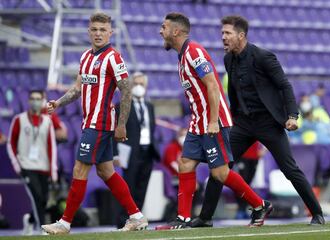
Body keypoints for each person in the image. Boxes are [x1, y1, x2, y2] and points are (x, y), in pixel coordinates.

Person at [192, 15, 325, 227]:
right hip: (243, 124)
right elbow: (233, 93)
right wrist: (232, 120)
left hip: (268, 123)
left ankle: (317, 213)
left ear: (241, 35)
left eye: (228, 33)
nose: (223, 37)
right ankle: (205, 218)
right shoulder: (228, 60)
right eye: (222, 33)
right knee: (219, 166)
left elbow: (284, 86)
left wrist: (292, 116)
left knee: (289, 169)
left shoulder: (264, 57)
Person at [158, 12, 272, 229]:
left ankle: (260, 204)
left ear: (176, 31)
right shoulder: (182, 55)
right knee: (185, 164)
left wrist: (212, 121)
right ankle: (182, 219)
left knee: (219, 173)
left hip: (213, 120)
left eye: (164, 27)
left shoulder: (194, 51)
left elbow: (212, 84)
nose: (160, 31)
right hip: (198, 121)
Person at [41, 12, 147, 235]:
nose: (98, 33)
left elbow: (126, 90)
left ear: (111, 32)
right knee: (106, 171)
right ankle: (136, 216)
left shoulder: (113, 57)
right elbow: (78, 89)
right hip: (90, 122)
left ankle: (65, 222)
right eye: (94, 29)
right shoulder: (86, 57)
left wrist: (122, 124)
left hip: (100, 123)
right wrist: (58, 103)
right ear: (89, 31)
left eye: (103, 30)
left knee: (80, 169)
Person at [7, 90, 57, 235]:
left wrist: (53, 171)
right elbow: (11, 143)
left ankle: (29, 220)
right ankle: (42, 228)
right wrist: (17, 165)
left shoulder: (48, 121)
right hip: (26, 165)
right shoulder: (19, 119)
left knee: (44, 199)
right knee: (37, 197)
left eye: (38, 99)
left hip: (44, 166)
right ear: (28, 101)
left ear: (42, 101)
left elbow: (52, 146)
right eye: (32, 98)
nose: (35, 101)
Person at [113, 72, 160, 228]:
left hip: (147, 151)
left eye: (142, 84)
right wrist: (115, 154)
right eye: (136, 84)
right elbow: (114, 130)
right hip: (130, 152)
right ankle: (122, 221)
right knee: (129, 187)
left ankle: (137, 220)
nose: (139, 87)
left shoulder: (150, 107)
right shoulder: (122, 106)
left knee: (142, 188)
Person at [234, 142, 266, 219]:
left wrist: (264, 150)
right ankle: (240, 209)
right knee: (242, 183)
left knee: (248, 184)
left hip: (255, 157)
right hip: (242, 156)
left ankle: (243, 209)